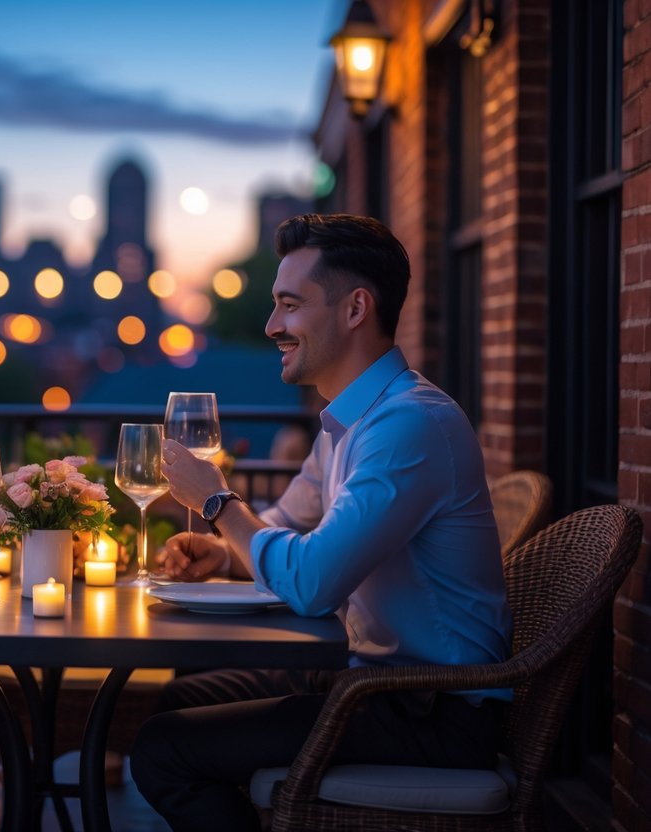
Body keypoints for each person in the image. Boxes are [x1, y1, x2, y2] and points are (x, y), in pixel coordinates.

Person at [130, 214, 512, 831]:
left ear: (356, 308)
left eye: (289, 305)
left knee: (163, 748)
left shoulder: (408, 425)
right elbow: (286, 521)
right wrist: (226, 554)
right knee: (181, 695)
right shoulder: (351, 421)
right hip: (376, 681)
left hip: (433, 709)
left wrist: (218, 504)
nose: (272, 326)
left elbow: (310, 584)